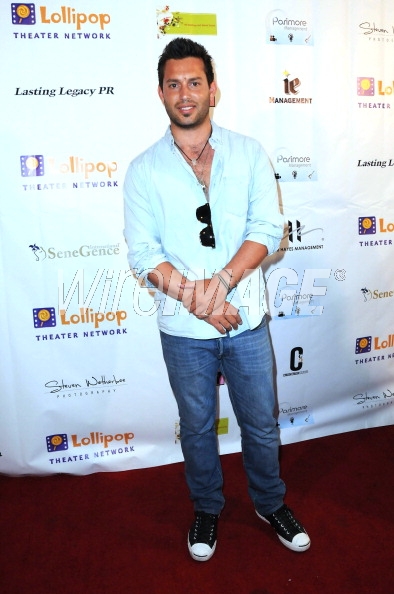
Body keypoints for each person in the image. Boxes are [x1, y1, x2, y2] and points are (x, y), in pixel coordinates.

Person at [123, 37, 310, 562]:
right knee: (198, 426)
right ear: (161, 93)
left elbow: (268, 229)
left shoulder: (248, 152)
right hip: (183, 330)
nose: (186, 93)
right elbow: (143, 255)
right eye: (174, 83)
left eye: (195, 82)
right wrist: (199, 302)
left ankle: (270, 502)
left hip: (247, 317)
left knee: (261, 420)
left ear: (213, 89)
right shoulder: (144, 169)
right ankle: (207, 506)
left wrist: (222, 284)